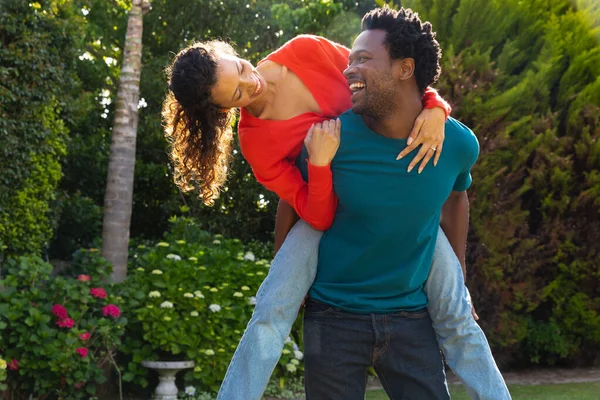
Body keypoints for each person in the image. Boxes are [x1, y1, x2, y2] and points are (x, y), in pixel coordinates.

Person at [162, 10, 510, 400]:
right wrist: (320, 165)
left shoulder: (306, 50)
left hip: (389, 189)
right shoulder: (257, 143)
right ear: (224, 110)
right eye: (238, 94)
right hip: (321, 208)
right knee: (271, 311)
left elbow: (387, 73)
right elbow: (313, 213)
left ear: (232, 53)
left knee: (458, 312)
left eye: (241, 68)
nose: (252, 83)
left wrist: (434, 106)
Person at [297, 6, 493, 398]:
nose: (348, 70)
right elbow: (293, 203)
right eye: (350, 60)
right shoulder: (330, 139)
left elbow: (457, 199)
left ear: (405, 68)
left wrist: (458, 281)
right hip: (331, 314)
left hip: (411, 316)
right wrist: (291, 283)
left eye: (363, 59)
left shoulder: (456, 144)